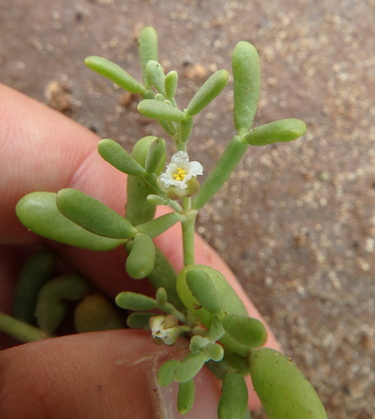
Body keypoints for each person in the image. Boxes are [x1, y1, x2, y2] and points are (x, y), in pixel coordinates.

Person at [0, 83, 280, 418]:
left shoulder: (173, 193)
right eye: (177, 175)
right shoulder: (148, 221)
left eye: (182, 174)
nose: (180, 175)